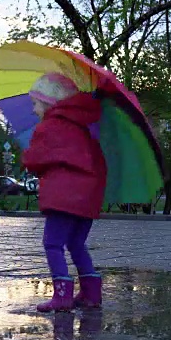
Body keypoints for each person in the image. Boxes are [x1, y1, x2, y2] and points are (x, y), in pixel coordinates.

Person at [23, 73, 107, 312]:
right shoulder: (84, 128)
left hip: (64, 198)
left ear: (50, 102)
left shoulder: (50, 126)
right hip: (87, 196)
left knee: (53, 243)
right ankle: (91, 293)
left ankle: (62, 296)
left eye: (35, 103)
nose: (33, 110)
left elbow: (36, 160)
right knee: (77, 243)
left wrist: (26, 158)